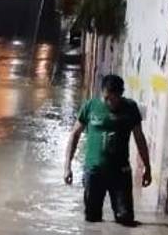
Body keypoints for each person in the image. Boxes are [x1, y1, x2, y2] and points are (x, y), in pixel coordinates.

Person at [63, 74, 152, 225]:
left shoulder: (130, 108)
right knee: (92, 220)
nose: (110, 102)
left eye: (114, 98)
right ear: (102, 93)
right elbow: (74, 135)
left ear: (121, 94)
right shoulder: (90, 106)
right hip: (94, 171)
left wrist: (147, 167)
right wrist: (67, 166)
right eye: (106, 98)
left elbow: (139, 138)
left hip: (120, 173)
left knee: (125, 219)